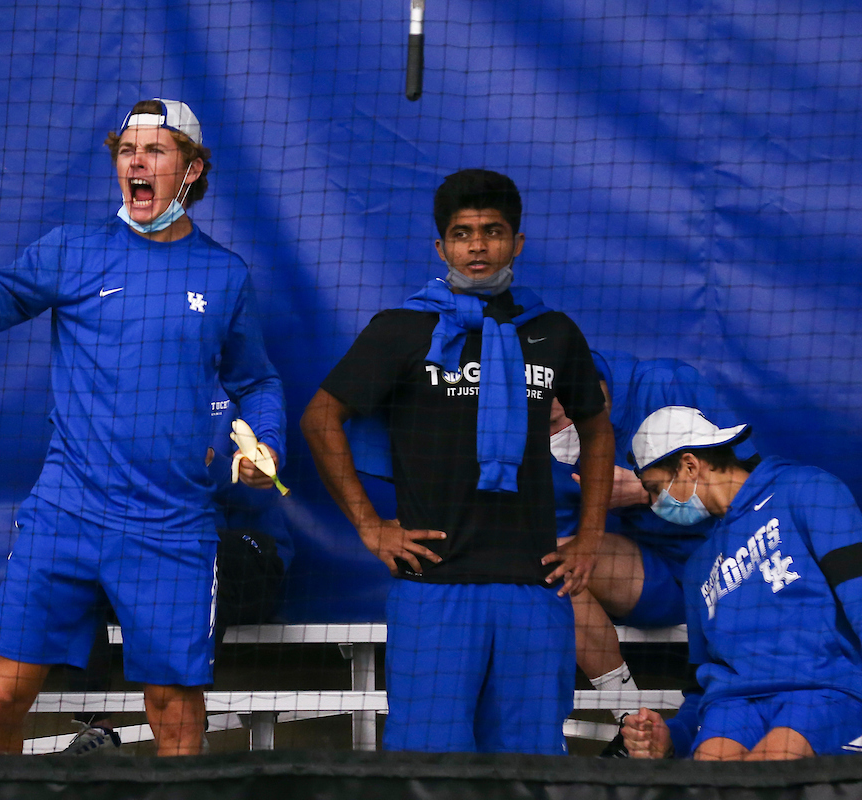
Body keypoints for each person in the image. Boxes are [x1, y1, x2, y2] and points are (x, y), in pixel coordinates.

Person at [0, 99, 286, 757]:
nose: (136, 161)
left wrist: (266, 442)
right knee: (1, 698)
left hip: (172, 526)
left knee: (174, 716)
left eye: (155, 150)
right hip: (66, 514)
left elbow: (257, 382)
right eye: (126, 150)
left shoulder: (225, 275)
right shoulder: (70, 251)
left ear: (191, 171)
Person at [301, 169, 614, 754]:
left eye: (493, 231)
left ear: (517, 242)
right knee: (429, 768)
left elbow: (597, 429)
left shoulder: (551, 333)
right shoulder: (404, 330)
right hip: (435, 588)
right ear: (440, 246)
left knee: (532, 768)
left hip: (534, 586)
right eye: (462, 233)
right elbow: (320, 417)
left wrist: (591, 534)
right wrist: (371, 526)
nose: (477, 245)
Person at [621, 405, 862, 760]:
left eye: (656, 489)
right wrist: (672, 737)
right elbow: (702, 688)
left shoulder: (809, 490)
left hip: (819, 689)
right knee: (708, 774)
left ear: (689, 465)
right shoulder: (698, 567)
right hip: (731, 707)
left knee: (772, 767)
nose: (656, 504)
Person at [61, 391, 293, 755]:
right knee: (75, 565)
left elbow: (257, 498)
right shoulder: (127, 391)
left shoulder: (248, 391)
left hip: (245, 553)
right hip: (145, 553)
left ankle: (187, 728)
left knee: (189, 563)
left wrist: (209, 462)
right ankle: (97, 729)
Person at [549, 351, 755, 731]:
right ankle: (629, 720)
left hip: (733, 562)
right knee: (553, 563)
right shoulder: (546, 436)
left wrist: (646, 492)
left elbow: (748, 483)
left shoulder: (666, 383)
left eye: (559, 418)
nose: (553, 431)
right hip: (658, 573)